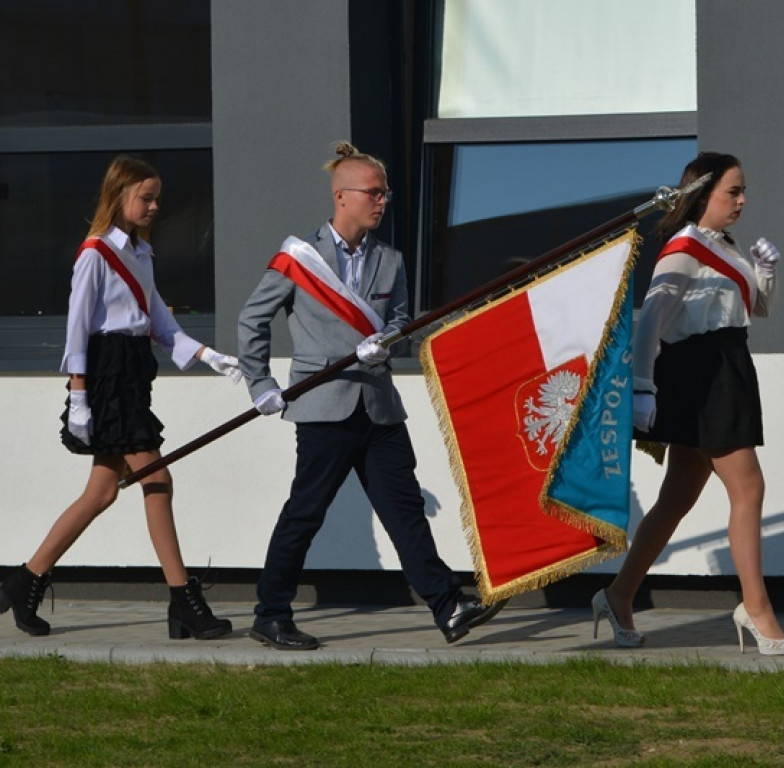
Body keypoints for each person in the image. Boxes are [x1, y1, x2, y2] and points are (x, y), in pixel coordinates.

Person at [237, 141, 505, 650]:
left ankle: (448, 605)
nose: (382, 201)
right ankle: (270, 614)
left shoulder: (390, 259)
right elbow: (252, 320)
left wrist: (387, 342)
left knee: (403, 508)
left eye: (385, 194)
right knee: (306, 512)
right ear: (342, 196)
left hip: (379, 407)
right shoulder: (300, 257)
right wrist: (262, 384)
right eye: (373, 193)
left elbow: (401, 322)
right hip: (323, 404)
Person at [0, 155, 239, 640]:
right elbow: (77, 328)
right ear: (119, 195)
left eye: (157, 199)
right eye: (145, 198)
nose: (154, 207)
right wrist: (79, 396)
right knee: (158, 478)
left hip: (132, 372)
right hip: (106, 376)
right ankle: (184, 600)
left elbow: (159, 323)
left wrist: (207, 355)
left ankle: (25, 580)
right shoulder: (95, 253)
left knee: (102, 492)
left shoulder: (142, 253)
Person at [592, 151, 784, 655]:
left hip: (727, 364)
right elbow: (650, 320)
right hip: (701, 374)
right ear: (704, 194)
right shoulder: (684, 248)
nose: (743, 200)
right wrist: (643, 387)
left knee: (678, 497)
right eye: (734, 191)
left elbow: (758, 307)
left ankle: (617, 595)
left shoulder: (724, 245)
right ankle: (755, 608)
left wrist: (766, 270)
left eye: (744, 191)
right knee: (749, 487)